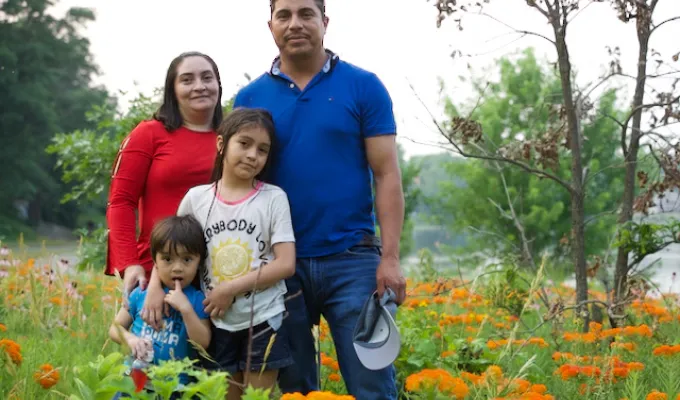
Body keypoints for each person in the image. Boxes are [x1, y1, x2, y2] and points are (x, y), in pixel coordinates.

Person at [230, 0, 407, 399]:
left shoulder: (364, 86)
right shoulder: (250, 98)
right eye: (284, 15)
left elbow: (386, 174)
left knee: (372, 383)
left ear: (325, 22)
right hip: (278, 265)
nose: (295, 24)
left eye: (306, 14)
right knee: (295, 391)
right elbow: (239, 181)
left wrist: (391, 258)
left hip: (353, 261)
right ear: (270, 25)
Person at [146, 107, 297, 399]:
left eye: (262, 149)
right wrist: (155, 286)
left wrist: (229, 288)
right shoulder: (196, 199)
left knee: (256, 397)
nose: (253, 155)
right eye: (244, 143)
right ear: (221, 144)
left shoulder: (273, 198)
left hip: (264, 317)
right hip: (215, 321)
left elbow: (286, 263)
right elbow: (169, 248)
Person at [105, 51, 223, 319]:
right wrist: (128, 264)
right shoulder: (148, 134)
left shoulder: (230, 138)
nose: (199, 86)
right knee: (155, 356)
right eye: (187, 79)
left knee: (211, 357)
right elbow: (121, 202)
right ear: (173, 89)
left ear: (218, 85)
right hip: (158, 271)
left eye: (207, 78)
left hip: (215, 272)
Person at [108, 215, 212, 398]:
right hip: (135, 381)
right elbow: (115, 328)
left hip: (176, 386)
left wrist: (186, 309)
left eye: (187, 260)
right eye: (167, 259)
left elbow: (203, 342)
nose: (177, 268)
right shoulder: (141, 293)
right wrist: (131, 340)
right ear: (155, 261)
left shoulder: (196, 299)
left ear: (199, 262)